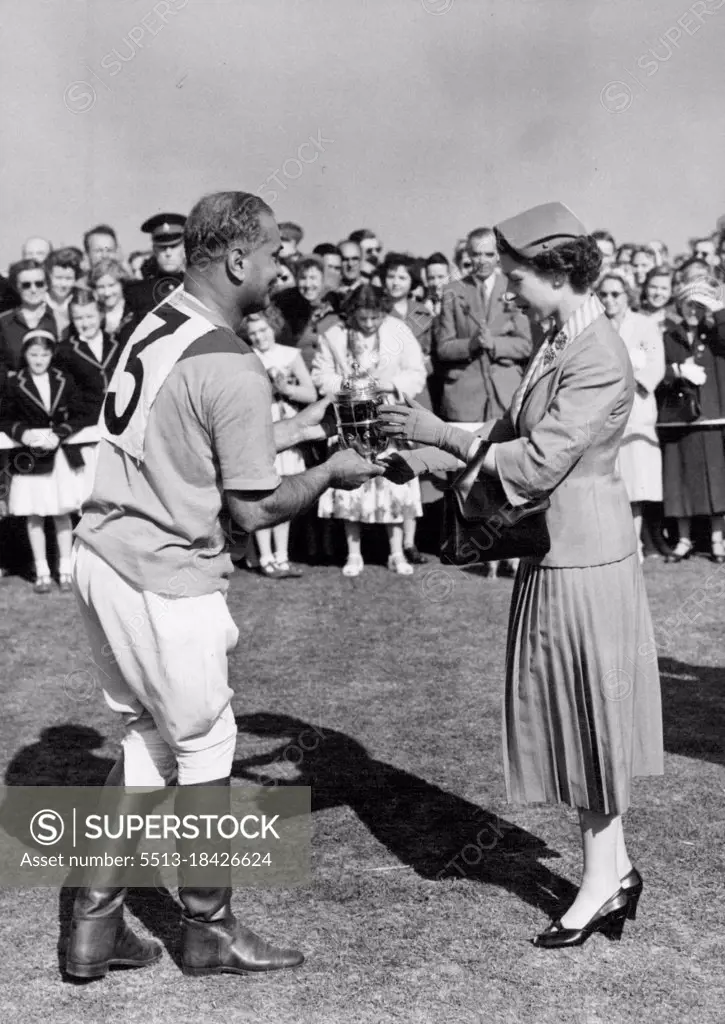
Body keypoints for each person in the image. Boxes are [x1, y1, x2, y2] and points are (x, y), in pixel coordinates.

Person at [64, 189, 381, 980]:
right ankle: (210, 930)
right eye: (273, 254)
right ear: (238, 259)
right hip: (165, 574)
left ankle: (91, 928)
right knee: (205, 744)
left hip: (102, 555)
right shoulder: (234, 361)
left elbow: (189, 435)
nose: (281, 269)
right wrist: (331, 471)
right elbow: (250, 507)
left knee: (146, 738)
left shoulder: (159, 318)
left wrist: (302, 427)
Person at [379, 201, 663, 949]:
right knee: (572, 717)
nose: (506, 291)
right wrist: (423, 454)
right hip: (553, 554)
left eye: (516, 277)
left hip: (586, 560)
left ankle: (601, 884)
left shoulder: (597, 350)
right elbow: (502, 436)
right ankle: (615, 869)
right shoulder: (555, 339)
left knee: (591, 720)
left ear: (559, 272)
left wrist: (439, 432)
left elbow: (537, 462)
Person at [312, 284, 426, 576]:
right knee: (353, 484)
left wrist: (386, 385)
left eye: (374, 318)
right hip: (350, 422)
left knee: (392, 482)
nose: (368, 324)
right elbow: (321, 374)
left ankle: (397, 552)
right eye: (362, 319)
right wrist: (350, 385)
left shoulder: (399, 331)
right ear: (351, 313)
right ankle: (353, 554)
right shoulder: (334, 334)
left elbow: (416, 372)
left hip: (390, 420)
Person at [1, 330, 85, 592]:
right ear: (25, 355)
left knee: (62, 513)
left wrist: (60, 433)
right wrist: (22, 433)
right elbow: (4, 418)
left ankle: (66, 569)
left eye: (44, 354)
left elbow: (80, 414)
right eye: (34, 354)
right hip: (30, 459)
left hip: (57, 456)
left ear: (52, 355)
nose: (39, 360)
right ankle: (42, 571)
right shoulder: (16, 383)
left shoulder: (64, 380)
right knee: (34, 515)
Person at [242, 310, 317, 577]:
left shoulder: (289, 354)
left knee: (284, 496)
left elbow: (311, 393)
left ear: (273, 327)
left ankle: (282, 555)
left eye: (263, 330)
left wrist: (287, 390)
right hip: (258, 429)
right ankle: (265, 557)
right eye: (252, 334)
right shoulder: (246, 358)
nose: (259, 337)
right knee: (263, 494)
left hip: (286, 428)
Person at [597, 270, 665, 561]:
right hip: (602, 411)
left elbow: (655, 364)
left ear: (628, 296)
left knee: (636, 482)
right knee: (609, 479)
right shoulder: (593, 326)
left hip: (636, 409)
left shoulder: (645, 325)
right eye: (604, 294)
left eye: (616, 294)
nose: (610, 300)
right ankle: (613, 542)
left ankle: (634, 543)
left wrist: (632, 375)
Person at [660, 279, 725, 564]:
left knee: (717, 481)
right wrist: (675, 371)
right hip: (678, 418)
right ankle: (683, 540)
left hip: (712, 417)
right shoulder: (667, 336)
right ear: (680, 304)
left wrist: (717, 309)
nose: (694, 310)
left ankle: (717, 540)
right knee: (679, 479)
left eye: (700, 305)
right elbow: (651, 369)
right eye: (690, 303)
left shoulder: (716, 334)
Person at [56, 286, 124, 504]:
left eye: (90, 316)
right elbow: (66, 393)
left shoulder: (118, 343)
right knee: (88, 495)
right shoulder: (65, 350)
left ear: (101, 315)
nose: (85, 323)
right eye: (78, 318)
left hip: (117, 426)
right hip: (84, 428)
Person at [273, 255, 339, 369]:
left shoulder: (337, 303)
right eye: (303, 278)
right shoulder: (286, 306)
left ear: (323, 279)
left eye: (313, 278)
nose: (308, 285)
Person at [0, 260, 58, 382]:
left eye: (39, 284)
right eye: (26, 285)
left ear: (47, 285)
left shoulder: (58, 318)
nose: (33, 289)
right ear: (16, 287)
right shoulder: (3, 322)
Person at [124, 213, 186, 320]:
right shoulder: (137, 293)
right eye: (162, 247)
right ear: (154, 249)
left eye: (174, 246)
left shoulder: (199, 287)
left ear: (184, 248)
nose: (168, 253)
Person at [89, 257, 136, 345]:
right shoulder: (93, 315)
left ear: (121, 284)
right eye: (101, 287)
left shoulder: (135, 312)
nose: (107, 293)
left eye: (111, 285)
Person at [45, 248, 83, 336]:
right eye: (58, 278)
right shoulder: (39, 302)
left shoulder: (80, 301)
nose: (63, 284)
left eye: (68, 279)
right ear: (49, 276)